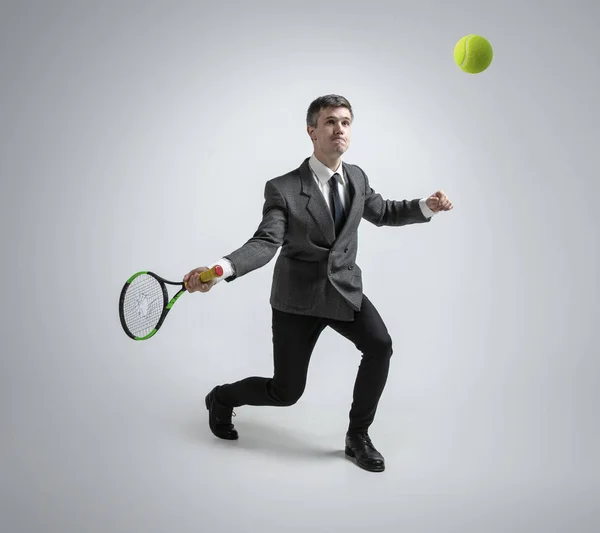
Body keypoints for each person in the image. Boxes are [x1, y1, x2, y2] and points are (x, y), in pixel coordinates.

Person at [184, 94, 453, 472]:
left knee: (380, 346)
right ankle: (223, 397)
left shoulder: (357, 177)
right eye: (329, 122)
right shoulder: (283, 188)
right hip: (298, 298)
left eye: (345, 122)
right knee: (286, 392)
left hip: (342, 290)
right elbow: (265, 242)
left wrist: (426, 205)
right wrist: (218, 270)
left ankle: (357, 435)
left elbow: (385, 212)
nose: (338, 128)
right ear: (312, 131)